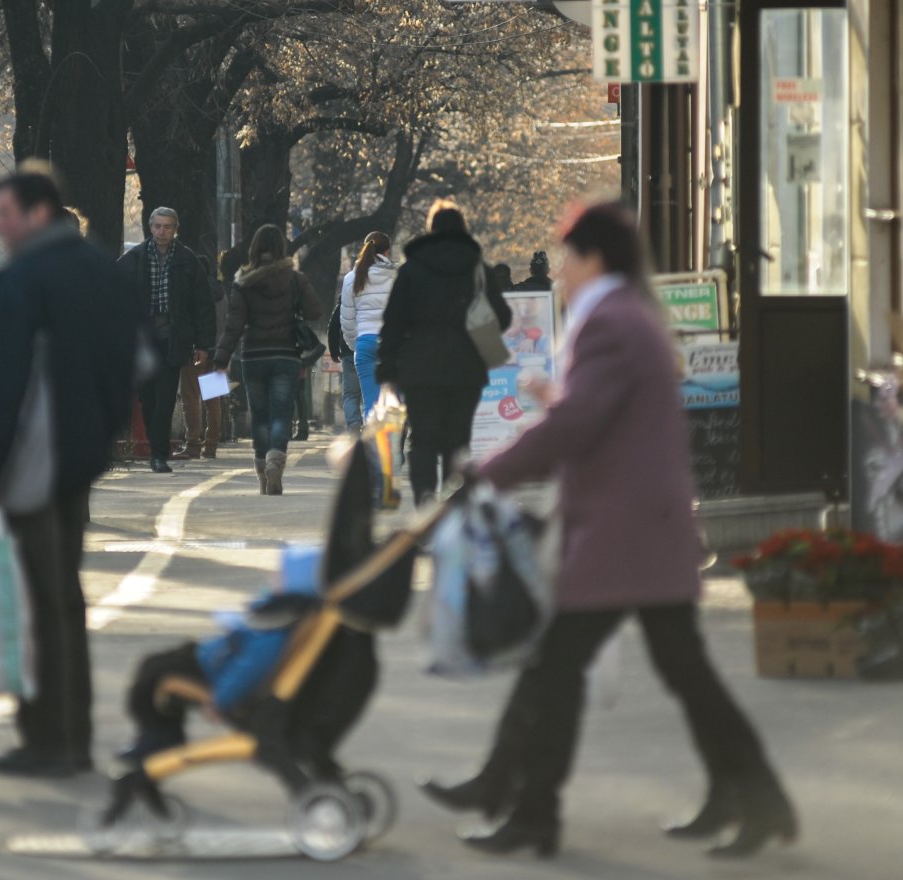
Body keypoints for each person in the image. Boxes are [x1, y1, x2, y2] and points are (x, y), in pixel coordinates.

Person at [424, 203, 796, 860]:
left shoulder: (609, 322)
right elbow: (598, 414)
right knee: (681, 671)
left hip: (622, 533)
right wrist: (553, 407)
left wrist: (488, 475)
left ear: (593, 258)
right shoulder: (626, 317)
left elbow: (578, 426)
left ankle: (535, 813)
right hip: (639, 528)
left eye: (568, 257)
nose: (562, 271)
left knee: (561, 666)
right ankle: (753, 797)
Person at [0, 163, 139, 778]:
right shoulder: (100, 273)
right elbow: (128, 367)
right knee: (63, 598)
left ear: (38, 213)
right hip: (77, 460)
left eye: (4, 214)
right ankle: (73, 735)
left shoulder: (23, 280)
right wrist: (97, 437)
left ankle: (49, 741)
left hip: (28, 463)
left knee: (39, 603)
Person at [119, 552, 321, 762]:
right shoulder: (277, 620)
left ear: (295, 584)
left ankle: (158, 739)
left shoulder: (272, 635)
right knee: (154, 668)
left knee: (150, 681)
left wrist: (220, 701)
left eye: (280, 575)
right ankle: (164, 736)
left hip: (210, 671)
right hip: (210, 661)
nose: (272, 578)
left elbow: (246, 671)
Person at [376, 200, 512, 506]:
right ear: (463, 229)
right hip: (466, 369)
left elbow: (393, 322)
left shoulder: (412, 270)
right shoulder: (478, 269)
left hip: (420, 369)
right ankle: (455, 509)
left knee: (422, 440)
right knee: (457, 443)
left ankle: (425, 501)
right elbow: (503, 316)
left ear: (431, 230)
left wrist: (387, 371)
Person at [215, 225, 321, 496]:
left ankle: (263, 471)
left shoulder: (242, 282)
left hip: (253, 356)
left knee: (260, 415)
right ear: (281, 249)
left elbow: (233, 325)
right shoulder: (295, 279)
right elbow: (314, 310)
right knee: (282, 414)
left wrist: (222, 357)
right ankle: (276, 459)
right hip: (285, 355)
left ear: (253, 249)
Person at [117, 207, 216, 474]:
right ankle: (156, 445)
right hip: (143, 339)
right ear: (151, 227)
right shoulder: (134, 258)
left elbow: (202, 305)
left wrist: (204, 344)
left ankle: (159, 454)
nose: (162, 231)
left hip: (174, 338)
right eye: (158, 226)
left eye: (168, 227)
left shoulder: (187, 260)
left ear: (175, 229)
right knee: (147, 397)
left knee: (166, 395)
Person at [340, 231, 397, 420]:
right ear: (387, 252)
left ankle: (373, 447)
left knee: (371, 405)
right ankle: (393, 446)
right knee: (395, 403)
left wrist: (355, 345)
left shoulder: (352, 278)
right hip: (391, 345)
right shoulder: (396, 276)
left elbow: (347, 319)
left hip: (364, 343)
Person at [177, 269, 227, 459]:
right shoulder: (222, 295)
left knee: (190, 398)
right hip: (218, 352)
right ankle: (211, 446)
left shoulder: (194, 291)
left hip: (196, 351)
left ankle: (193, 444)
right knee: (213, 401)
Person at [326, 302, 362, 433]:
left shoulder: (348, 290)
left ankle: (354, 424)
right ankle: (372, 426)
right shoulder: (385, 286)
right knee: (374, 390)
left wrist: (334, 350)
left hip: (349, 352)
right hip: (375, 348)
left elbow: (334, 325)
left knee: (351, 394)